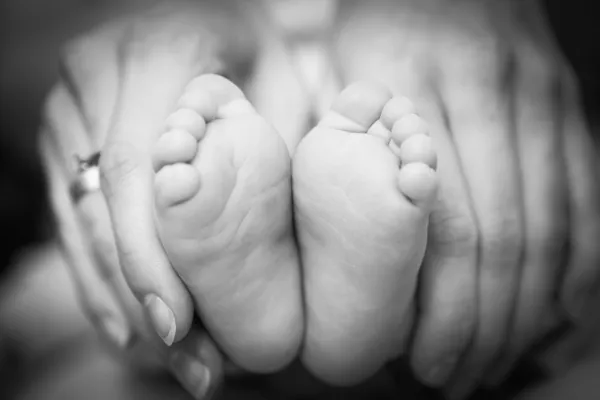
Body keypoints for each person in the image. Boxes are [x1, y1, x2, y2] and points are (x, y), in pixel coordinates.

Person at [40, 0, 600, 399]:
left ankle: (253, 330)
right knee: (448, 185)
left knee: (164, 216)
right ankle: (378, 314)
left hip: (275, 102)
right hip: (379, 112)